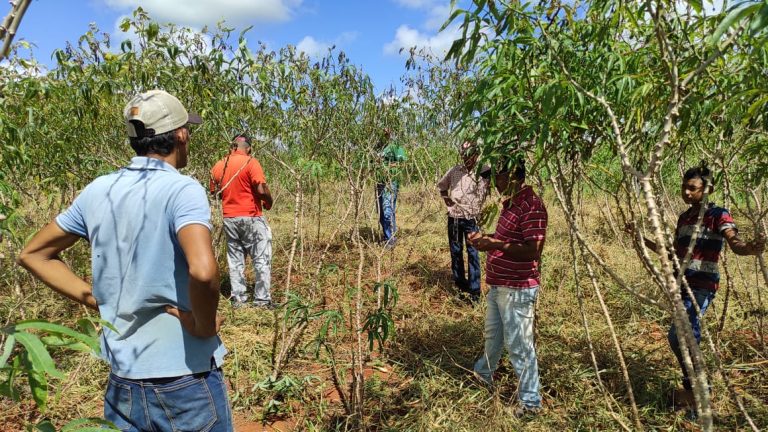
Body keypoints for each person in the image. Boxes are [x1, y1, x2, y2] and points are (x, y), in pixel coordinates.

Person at [17, 89, 232, 431]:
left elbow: (33, 253)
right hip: (185, 376)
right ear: (180, 135)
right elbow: (204, 272)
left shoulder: (98, 190)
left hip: (122, 381)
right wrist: (203, 326)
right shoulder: (182, 190)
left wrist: (97, 300)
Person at [627, 165, 764, 409]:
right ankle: (696, 390)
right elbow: (672, 254)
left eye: (693, 188)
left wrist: (750, 248)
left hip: (702, 287)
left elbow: (734, 241)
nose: (687, 192)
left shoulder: (718, 215)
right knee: (685, 337)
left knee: (681, 335)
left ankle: (700, 392)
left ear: (707, 189)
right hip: (682, 284)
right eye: (684, 187)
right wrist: (641, 239)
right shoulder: (684, 218)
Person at [467, 158, 547, 417]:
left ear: (513, 175)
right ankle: (483, 375)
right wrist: (488, 239)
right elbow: (510, 239)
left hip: (516, 289)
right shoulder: (510, 205)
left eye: (497, 177)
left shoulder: (531, 205)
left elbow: (532, 251)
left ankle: (531, 404)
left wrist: (495, 244)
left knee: (520, 348)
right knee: (494, 337)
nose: (494, 183)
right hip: (499, 285)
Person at [210, 134, 274, 309]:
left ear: (231, 147)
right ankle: (262, 301)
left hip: (230, 218)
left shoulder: (219, 165)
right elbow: (261, 187)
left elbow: (214, 191)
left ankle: (239, 299)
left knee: (235, 260)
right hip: (251, 216)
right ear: (249, 148)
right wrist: (269, 201)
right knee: (261, 258)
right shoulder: (250, 162)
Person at [437, 141, 488, 303]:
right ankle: (460, 287)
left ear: (476, 154)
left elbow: (501, 182)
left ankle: (474, 293)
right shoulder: (454, 171)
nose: (465, 157)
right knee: (456, 252)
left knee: (473, 253)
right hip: (455, 218)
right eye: (463, 154)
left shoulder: (485, 171)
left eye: (469, 154)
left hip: (473, 219)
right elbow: (442, 187)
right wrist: (447, 200)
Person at [376, 128, 407, 247]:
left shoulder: (396, 146)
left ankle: (391, 238)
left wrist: (386, 166)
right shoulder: (379, 147)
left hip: (391, 181)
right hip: (379, 181)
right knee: (381, 211)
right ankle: (386, 236)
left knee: (388, 209)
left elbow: (402, 163)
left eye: (386, 131)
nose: (384, 133)